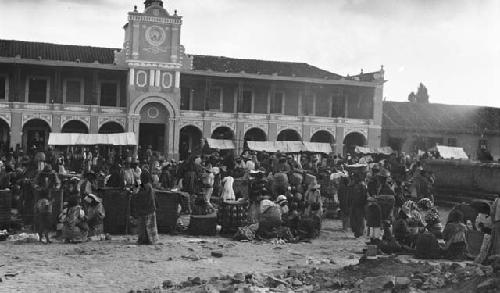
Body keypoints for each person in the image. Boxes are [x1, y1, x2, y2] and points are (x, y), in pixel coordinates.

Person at [132, 171, 159, 245]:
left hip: (146, 209)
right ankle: (150, 239)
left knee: (144, 226)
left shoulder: (145, 186)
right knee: (149, 226)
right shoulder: (148, 185)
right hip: (150, 209)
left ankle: (145, 240)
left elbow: (138, 194)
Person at [349, 172, 368, 238]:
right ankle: (356, 231)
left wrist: (363, 203)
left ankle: (359, 232)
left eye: (355, 177)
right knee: (353, 219)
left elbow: (364, 195)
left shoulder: (362, 185)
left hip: (360, 205)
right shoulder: (353, 184)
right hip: (353, 204)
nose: (354, 178)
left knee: (359, 219)